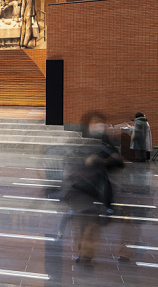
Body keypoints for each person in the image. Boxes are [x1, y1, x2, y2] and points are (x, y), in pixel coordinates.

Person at [61, 113, 122, 266]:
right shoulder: (78, 141)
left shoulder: (106, 143)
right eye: (96, 123)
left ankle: (86, 255)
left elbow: (118, 162)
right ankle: (82, 251)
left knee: (91, 226)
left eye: (102, 123)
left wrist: (101, 160)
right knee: (80, 225)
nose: (99, 126)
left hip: (97, 191)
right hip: (80, 190)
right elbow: (68, 160)